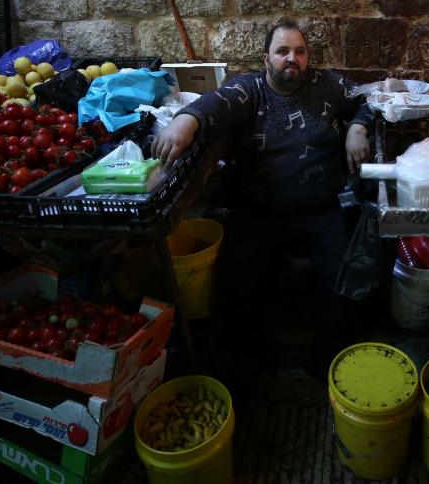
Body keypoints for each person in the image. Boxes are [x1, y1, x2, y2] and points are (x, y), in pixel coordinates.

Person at [151, 20, 374, 385]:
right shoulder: (249, 89)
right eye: (283, 52)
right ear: (266, 59)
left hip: (321, 210)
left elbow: (366, 99)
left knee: (344, 288)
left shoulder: (326, 85)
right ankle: (247, 372)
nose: (293, 60)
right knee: (235, 287)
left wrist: (356, 128)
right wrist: (185, 120)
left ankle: (326, 370)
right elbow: (215, 102)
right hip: (260, 212)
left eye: (300, 52)